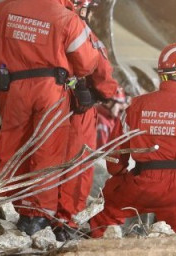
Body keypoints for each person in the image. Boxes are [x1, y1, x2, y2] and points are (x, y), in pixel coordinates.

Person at [0, 0, 102, 236]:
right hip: (50, 92)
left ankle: (8, 209)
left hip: (12, 89)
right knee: (47, 152)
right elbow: (87, 63)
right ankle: (38, 218)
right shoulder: (65, 17)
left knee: (11, 148)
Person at [90, 43, 176, 237]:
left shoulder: (137, 106)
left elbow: (115, 149)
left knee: (103, 214)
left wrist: (118, 173)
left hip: (142, 182)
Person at [55, 0, 121, 240]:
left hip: (46, 107)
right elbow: (103, 75)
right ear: (82, 8)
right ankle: (65, 221)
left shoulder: (49, 27)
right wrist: (108, 93)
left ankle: (37, 215)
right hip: (77, 110)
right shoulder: (83, 33)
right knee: (77, 166)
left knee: (46, 161)